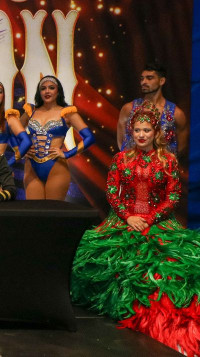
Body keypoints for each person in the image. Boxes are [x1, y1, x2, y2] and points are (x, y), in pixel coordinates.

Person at [71, 101, 199, 356]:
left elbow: (173, 196)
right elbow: (111, 193)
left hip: (159, 222)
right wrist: (129, 217)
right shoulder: (121, 159)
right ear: (132, 132)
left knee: (168, 265)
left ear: (156, 133)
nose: (141, 135)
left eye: (146, 130)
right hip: (122, 220)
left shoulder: (168, 160)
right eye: (137, 130)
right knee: (103, 261)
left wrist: (149, 219)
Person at [21, 76, 94, 200]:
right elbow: (12, 133)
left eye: (51, 88)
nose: (47, 91)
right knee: (34, 212)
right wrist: (22, 150)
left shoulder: (67, 113)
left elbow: (89, 137)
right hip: (31, 167)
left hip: (56, 167)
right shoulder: (31, 111)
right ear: (39, 92)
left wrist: (67, 154)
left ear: (58, 91)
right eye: (43, 88)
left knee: (53, 213)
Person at [117, 62, 188, 158]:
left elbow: (181, 146)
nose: (144, 82)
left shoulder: (176, 113)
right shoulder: (128, 109)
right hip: (131, 168)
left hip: (163, 169)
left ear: (161, 81)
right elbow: (121, 141)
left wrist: (163, 162)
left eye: (149, 78)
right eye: (142, 79)